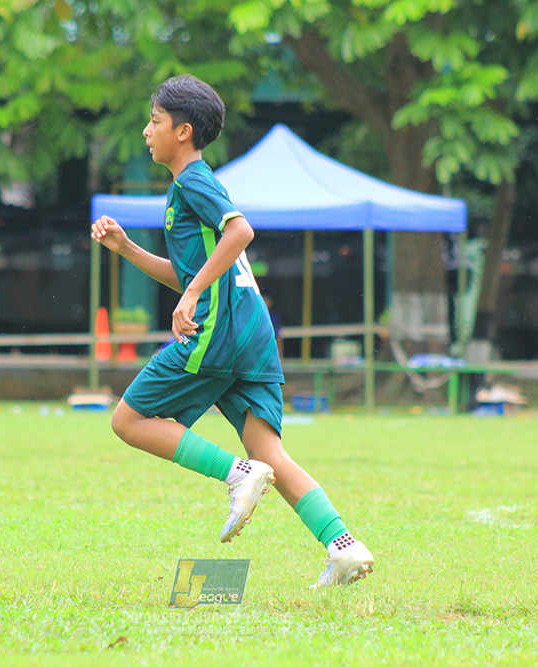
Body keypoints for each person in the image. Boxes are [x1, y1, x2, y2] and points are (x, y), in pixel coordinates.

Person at [90, 74, 373, 588]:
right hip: (252, 333)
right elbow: (192, 271)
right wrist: (128, 249)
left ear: (183, 131)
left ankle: (236, 474)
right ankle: (343, 546)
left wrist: (192, 295)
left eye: (154, 121)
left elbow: (240, 232)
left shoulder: (192, 182)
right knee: (270, 453)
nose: (146, 131)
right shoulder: (193, 186)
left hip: (217, 331)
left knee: (128, 420)